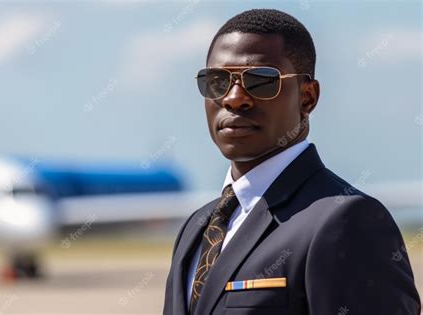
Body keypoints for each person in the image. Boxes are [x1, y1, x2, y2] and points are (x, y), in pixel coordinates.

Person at [162, 8, 421, 315]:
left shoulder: (346, 220)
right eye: (217, 81)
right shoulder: (197, 228)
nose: (233, 98)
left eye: (260, 80)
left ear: (307, 97)